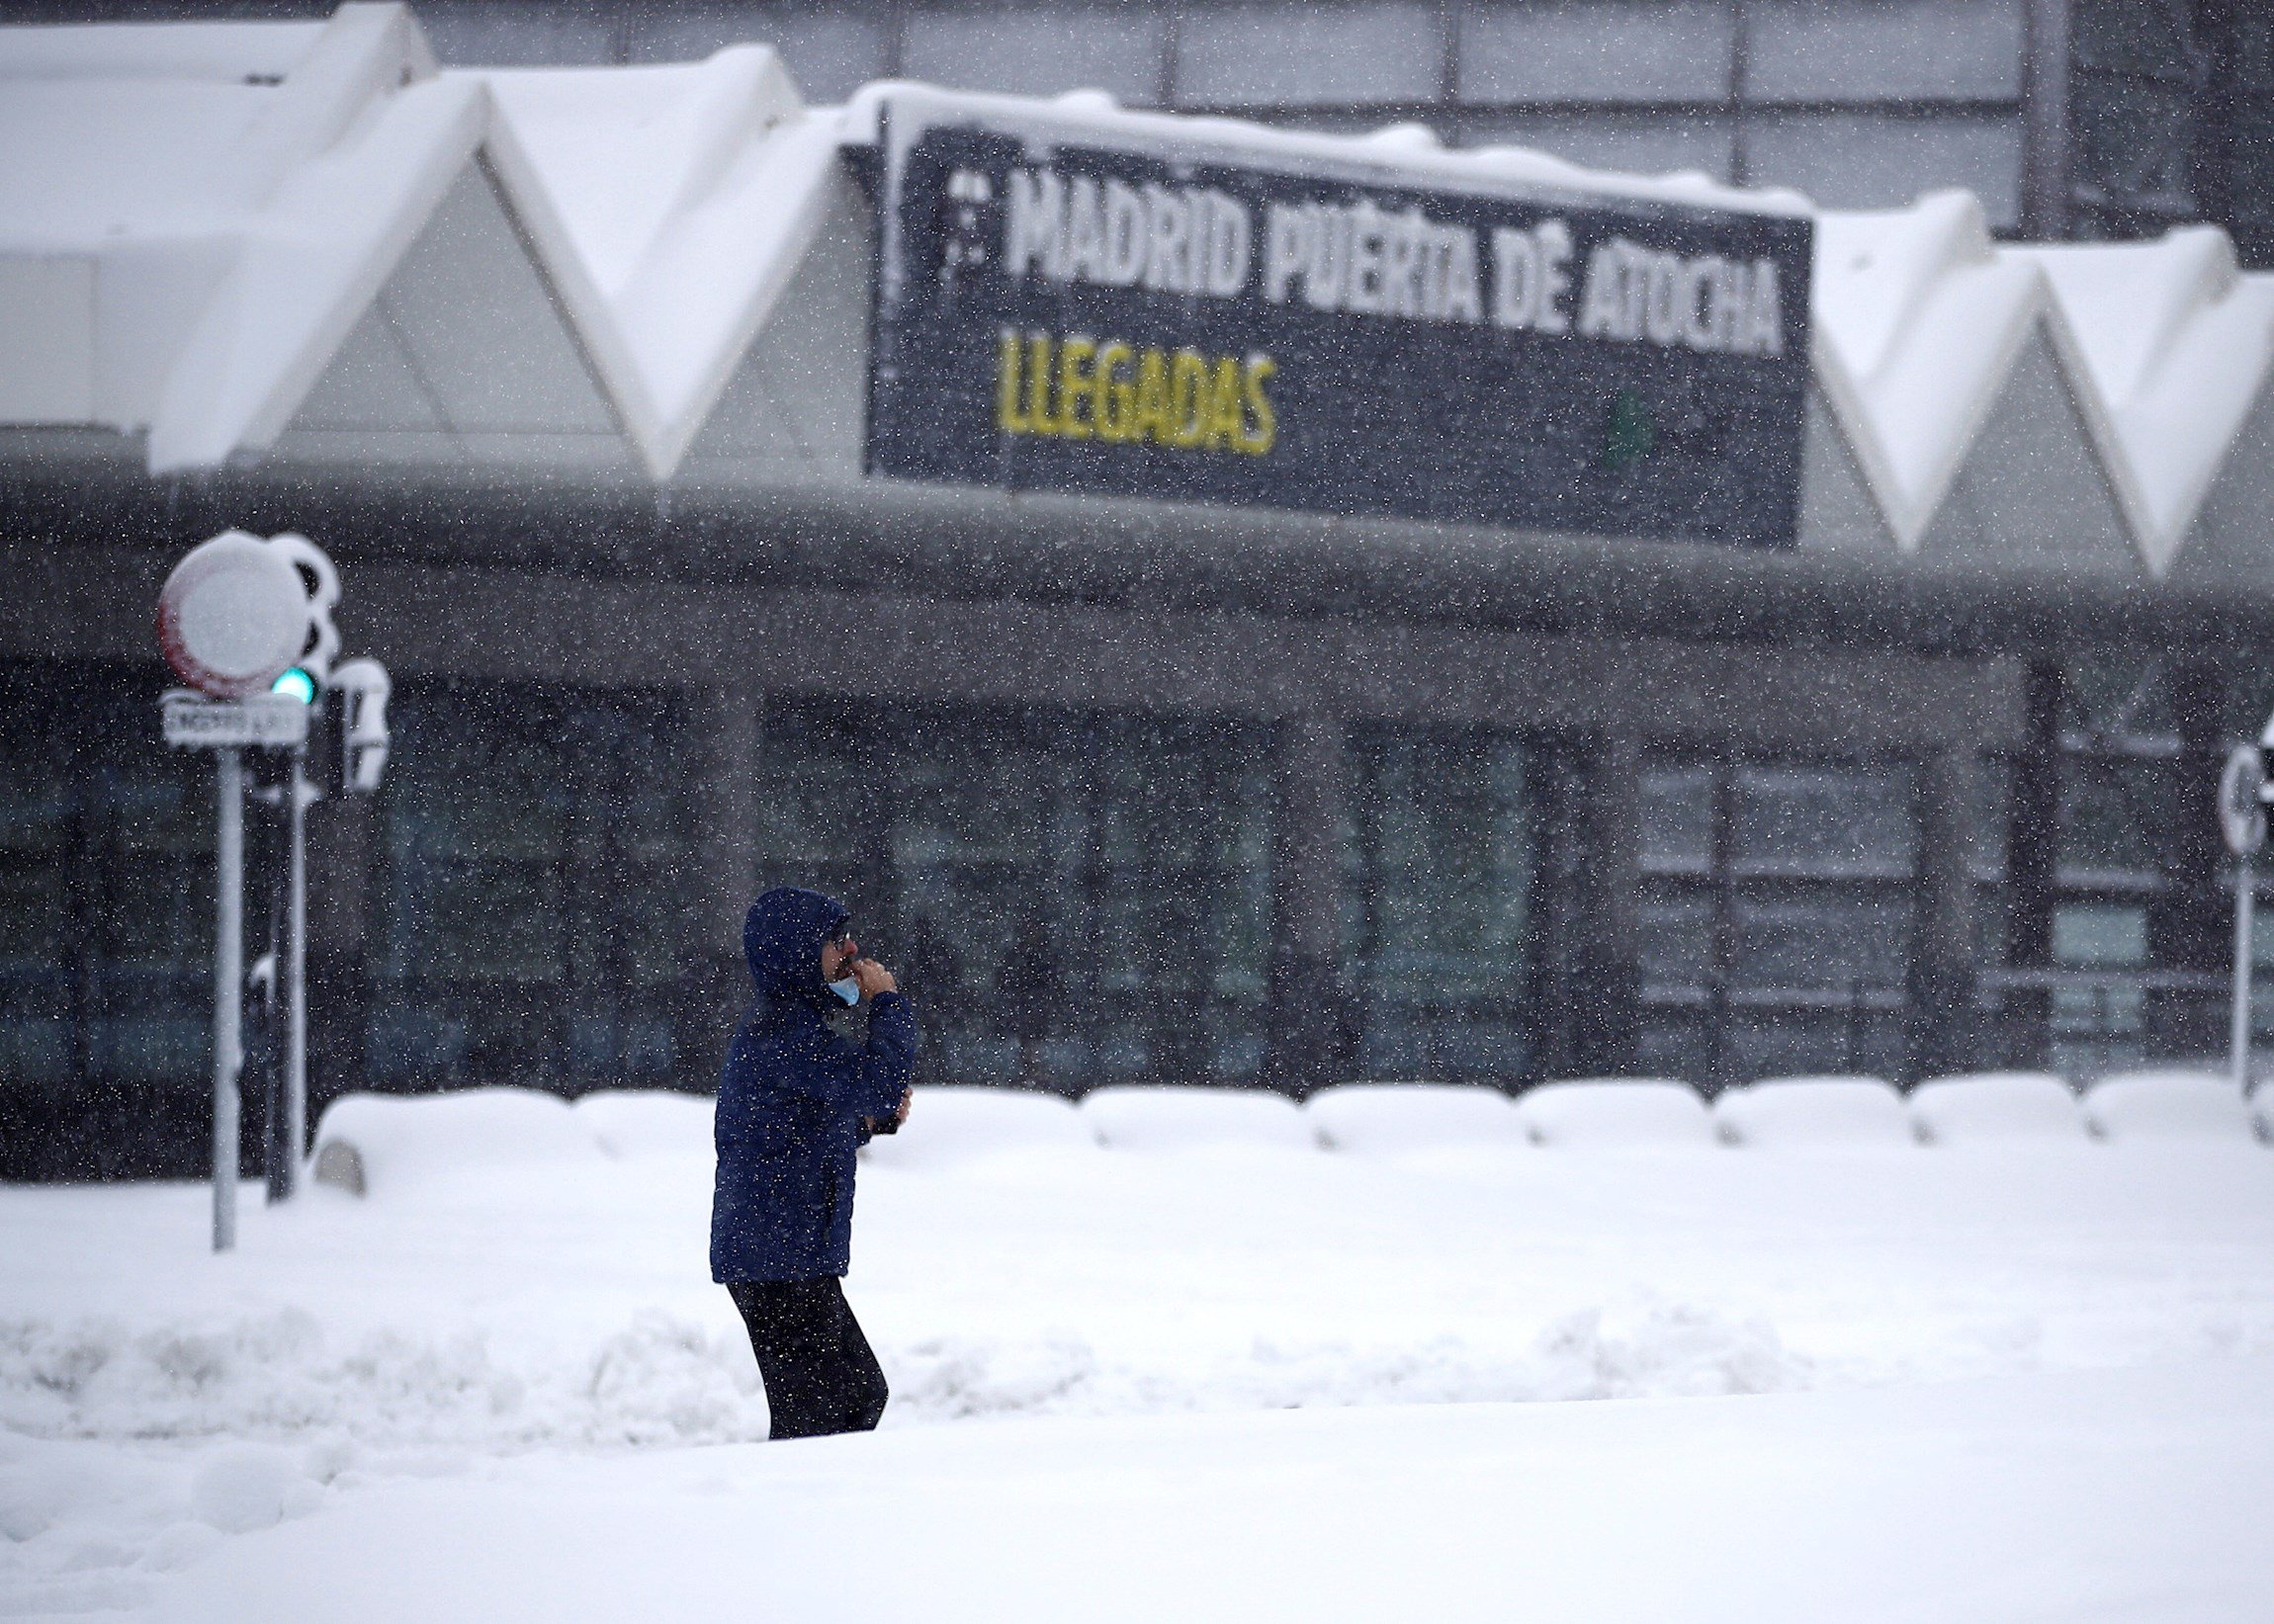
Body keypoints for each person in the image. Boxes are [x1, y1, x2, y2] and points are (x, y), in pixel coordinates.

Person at [712, 886, 918, 1439]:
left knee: (854, 1398)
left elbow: (796, 1127)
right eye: (835, 941)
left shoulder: (790, 1033)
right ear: (798, 954)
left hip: (789, 1253)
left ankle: (820, 1510)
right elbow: (877, 1085)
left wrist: (867, 1122)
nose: (850, 950)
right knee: (823, 1414)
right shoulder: (783, 1036)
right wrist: (887, 1003)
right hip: (776, 1259)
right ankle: (794, 1512)